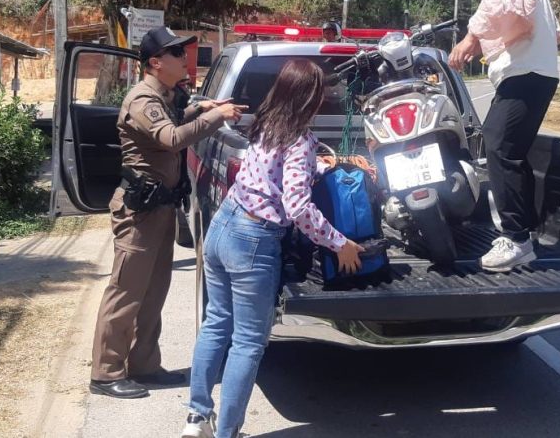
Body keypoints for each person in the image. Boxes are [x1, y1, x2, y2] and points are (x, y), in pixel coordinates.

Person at [182, 59, 365, 438]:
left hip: (224, 225)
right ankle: (227, 433)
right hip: (253, 241)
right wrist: (340, 244)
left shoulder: (267, 125)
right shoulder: (299, 140)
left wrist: (321, 166)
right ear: (309, 98)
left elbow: (275, 174)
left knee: (217, 323)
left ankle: (197, 419)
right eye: (321, 93)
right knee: (248, 343)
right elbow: (297, 207)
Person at [89, 26, 246, 400]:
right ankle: (106, 373)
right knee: (126, 292)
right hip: (139, 213)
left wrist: (198, 108)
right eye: (176, 53)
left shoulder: (165, 97)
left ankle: (144, 366)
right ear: (156, 62)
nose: (183, 57)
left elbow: (174, 119)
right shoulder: (142, 99)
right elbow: (171, 138)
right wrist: (216, 115)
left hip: (160, 207)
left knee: (153, 292)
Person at [446, 0, 560, 273]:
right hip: (534, 71)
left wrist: (471, 38)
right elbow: (550, 28)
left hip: (526, 72)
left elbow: (501, 4)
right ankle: (523, 234)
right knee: (511, 152)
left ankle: (516, 239)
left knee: (497, 146)